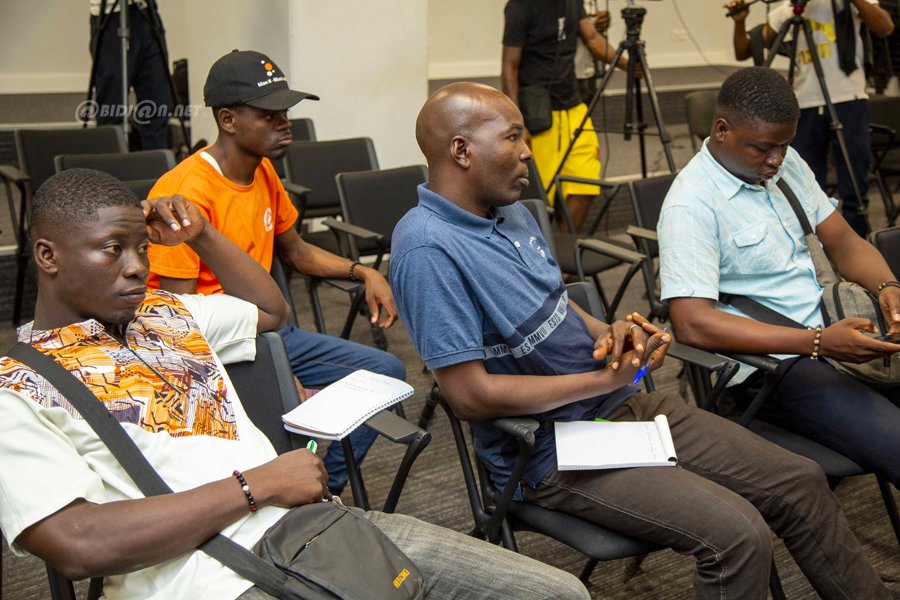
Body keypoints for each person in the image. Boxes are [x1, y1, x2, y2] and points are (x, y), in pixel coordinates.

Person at [390, 81, 893, 599]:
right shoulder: (428, 247)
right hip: (548, 449)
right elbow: (468, 397)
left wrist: (611, 332)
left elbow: (559, 309)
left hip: (618, 404)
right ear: (461, 150)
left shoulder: (511, 210)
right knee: (737, 534)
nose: (527, 150)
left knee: (799, 480)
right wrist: (597, 379)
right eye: (514, 137)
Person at [0, 168, 590, 600]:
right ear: (48, 256)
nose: (137, 266)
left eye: (140, 247)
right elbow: (75, 543)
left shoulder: (168, 313)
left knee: (560, 594)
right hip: (208, 582)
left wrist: (202, 235)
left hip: (316, 530)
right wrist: (254, 487)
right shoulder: (18, 388)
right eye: (112, 250)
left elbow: (270, 310)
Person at [146, 49, 406, 496]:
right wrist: (278, 372)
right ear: (228, 120)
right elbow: (181, 325)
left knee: (386, 372)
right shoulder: (184, 192)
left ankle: (328, 492)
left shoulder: (263, 172)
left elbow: (297, 251)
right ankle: (296, 488)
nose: (284, 124)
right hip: (219, 348)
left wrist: (363, 272)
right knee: (289, 415)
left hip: (269, 332)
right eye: (269, 115)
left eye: (285, 113)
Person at [659, 66, 900, 488]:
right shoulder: (691, 205)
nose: (776, 160)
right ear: (721, 130)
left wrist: (888, 287)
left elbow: (844, 244)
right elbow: (692, 323)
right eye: (763, 148)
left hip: (836, 331)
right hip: (775, 367)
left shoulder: (784, 166)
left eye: (784, 146)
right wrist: (820, 343)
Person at [723, 0, 894, 237]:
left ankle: (859, 247)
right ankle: (814, 250)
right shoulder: (789, 8)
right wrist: (740, 23)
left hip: (849, 98)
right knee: (804, 186)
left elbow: (885, 26)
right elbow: (744, 51)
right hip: (805, 104)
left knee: (855, 186)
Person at [501, 0, 628, 232]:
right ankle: (534, 258)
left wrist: (626, 64)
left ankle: (564, 254)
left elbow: (591, 38)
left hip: (574, 108)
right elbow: (510, 66)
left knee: (586, 183)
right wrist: (516, 123)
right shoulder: (520, 6)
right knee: (537, 196)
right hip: (538, 115)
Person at [89, 0, 172, 150]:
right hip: (110, 16)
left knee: (158, 106)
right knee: (112, 109)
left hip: (146, 12)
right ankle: (111, 170)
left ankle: (156, 170)